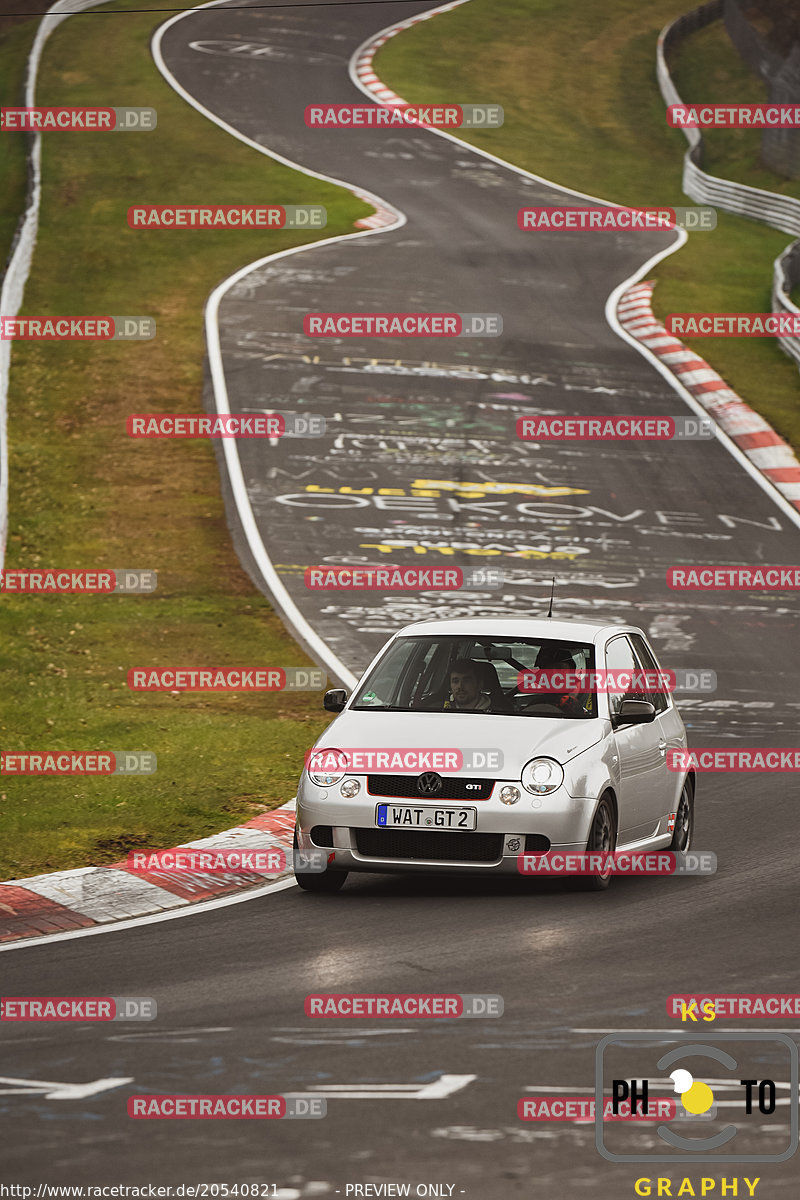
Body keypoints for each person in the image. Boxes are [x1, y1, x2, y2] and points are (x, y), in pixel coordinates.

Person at [525, 646, 590, 718]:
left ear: (577, 670)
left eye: (559, 668)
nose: (553, 674)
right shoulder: (539, 703)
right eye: (547, 669)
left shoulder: (599, 701)